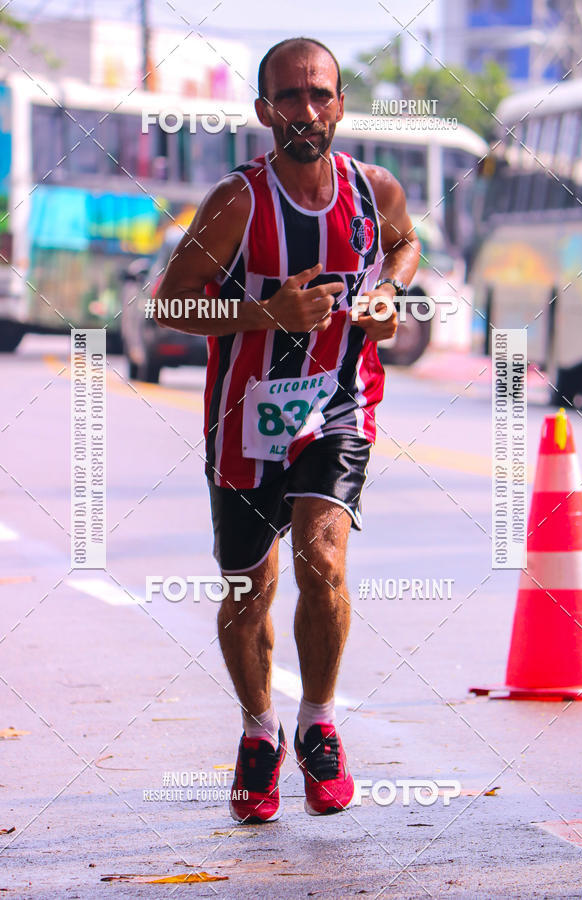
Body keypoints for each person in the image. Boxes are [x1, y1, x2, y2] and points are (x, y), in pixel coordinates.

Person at [155, 36, 421, 822]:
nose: (307, 109)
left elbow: (405, 248)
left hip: (338, 405)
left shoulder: (375, 191)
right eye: (290, 96)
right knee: (247, 588)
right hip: (246, 416)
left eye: (321, 94)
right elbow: (171, 304)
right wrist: (264, 313)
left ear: (340, 104)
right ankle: (258, 731)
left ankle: (319, 724)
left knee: (324, 560)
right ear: (264, 110)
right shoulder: (238, 202)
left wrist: (390, 298)